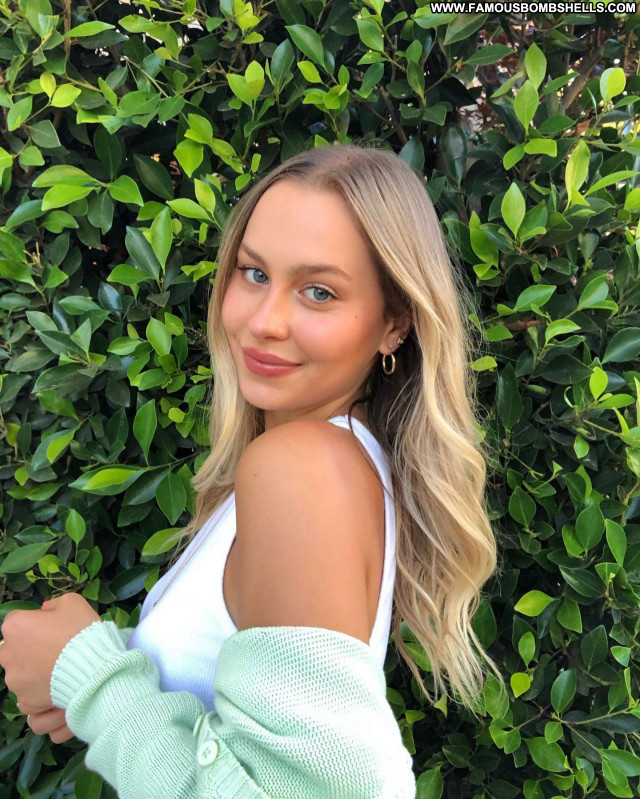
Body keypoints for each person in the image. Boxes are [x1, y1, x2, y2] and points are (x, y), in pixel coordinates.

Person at [0, 142, 502, 798]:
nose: (265, 321)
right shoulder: (340, 460)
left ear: (394, 325)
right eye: (254, 273)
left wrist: (93, 679)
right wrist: (103, 669)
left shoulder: (302, 469)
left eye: (319, 292)